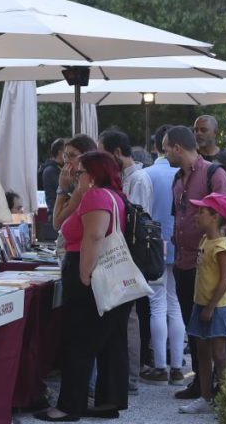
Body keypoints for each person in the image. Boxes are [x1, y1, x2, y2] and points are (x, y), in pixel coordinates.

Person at [34, 151, 133, 422]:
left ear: (92, 174)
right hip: (104, 273)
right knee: (106, 341)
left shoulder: (96, 196)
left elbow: (94, 235)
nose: (77, 176)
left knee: (78, 341)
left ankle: (68, 406)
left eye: (80, 172)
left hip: (89, 271)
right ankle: (106, 402)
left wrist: (85, 274)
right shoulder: (113, 196)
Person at [163, 125, 226, 400]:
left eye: (167, 148)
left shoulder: (215, 173)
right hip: (183, 262)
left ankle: (219, 386)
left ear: (178, 148)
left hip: (208, 265)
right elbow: (178, 216)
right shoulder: (177, 179)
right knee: (195, 329)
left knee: (212, 331)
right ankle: (200, 384)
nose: (165, 153)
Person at [99, 128, 154, 395]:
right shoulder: (127, 177)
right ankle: (124, 373)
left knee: (129, 316)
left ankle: (130, 375)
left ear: (117, 153)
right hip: (122, 253)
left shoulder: (139, 179)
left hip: (128, 254)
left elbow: (136, 220)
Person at [178, 192, 226, 414]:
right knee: (202, 352)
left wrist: (211, 307)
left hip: (218, 307)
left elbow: (225, 279)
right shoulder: (205, 240)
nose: (196, 215)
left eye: (202, 211)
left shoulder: (222, 246)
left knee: (219, 355)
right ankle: (205, 397)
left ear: (215, 217)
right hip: (201, 304)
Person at [140, 125, 186, 387]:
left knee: (157, 306)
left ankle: (160, 366)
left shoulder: (147, 174)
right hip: (178, 244)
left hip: (153, 247)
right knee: (174, 305)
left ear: (157, 146)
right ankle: (177, 367)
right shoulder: (183, 174)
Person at [53, 135, 98, 230]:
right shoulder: (80, 183)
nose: (66, 161)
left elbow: (57, 223)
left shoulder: (83, 186)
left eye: (72, 156)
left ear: (87, 157)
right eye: (65, 156)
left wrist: (62, 189)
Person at [41, 138, 66, 221]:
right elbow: (65, 189)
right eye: (67, 152)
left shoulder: (57, 168)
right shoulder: (50, 170)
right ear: (60, 152)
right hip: (55, 215)